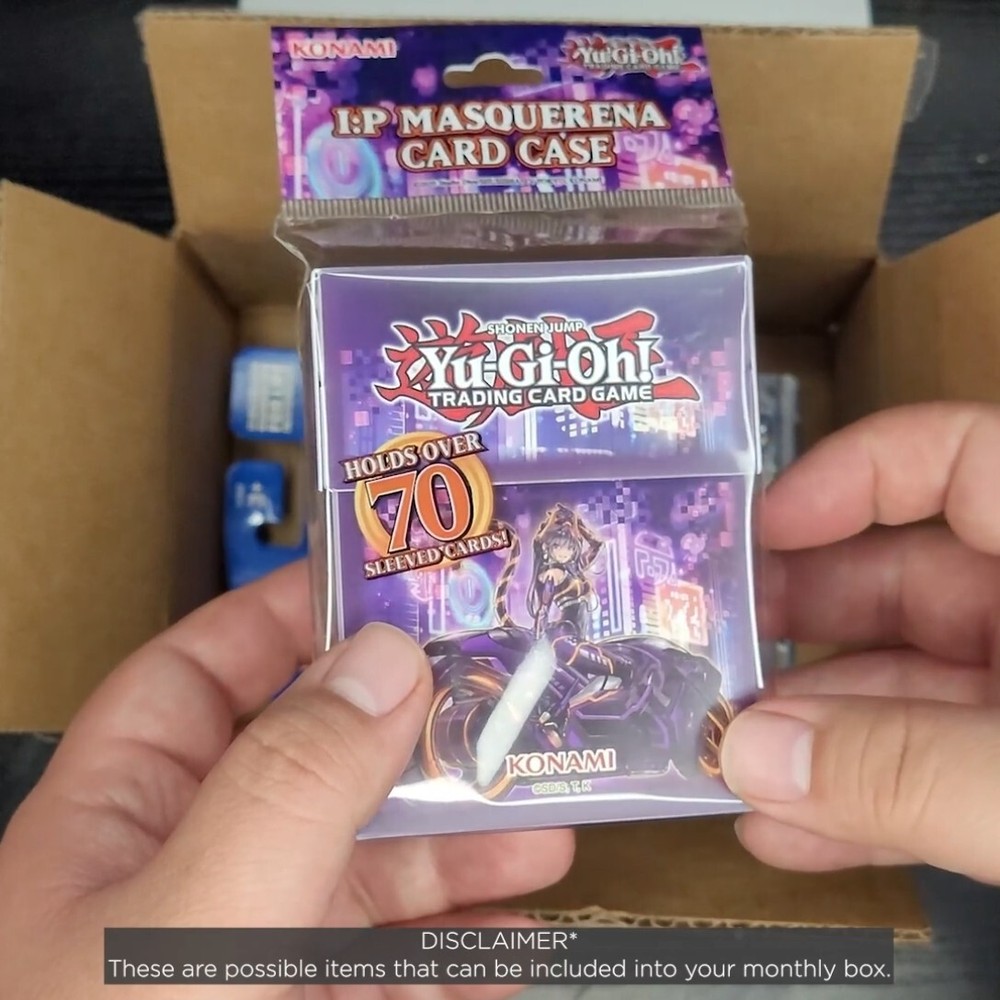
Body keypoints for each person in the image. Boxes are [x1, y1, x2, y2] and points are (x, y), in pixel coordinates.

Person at [1, 401, 998, 996]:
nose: (562, 564)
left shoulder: (612, 625)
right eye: (554, 558)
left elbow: (574, 633)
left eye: (570, 558)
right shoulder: (511, 622)